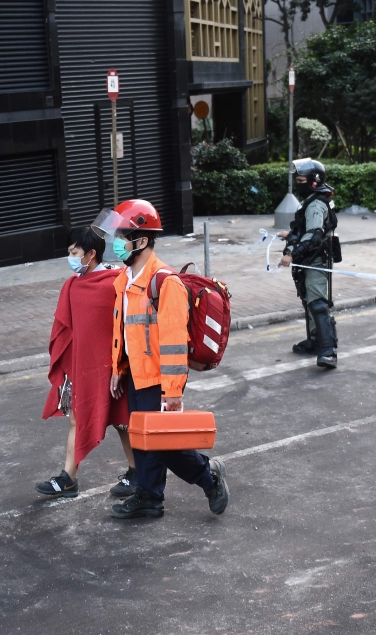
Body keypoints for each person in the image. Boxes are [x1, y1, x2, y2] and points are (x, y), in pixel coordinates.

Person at [93, 199, 229, 520]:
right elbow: (123, 331)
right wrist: (118, 368)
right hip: (136, 375)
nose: (115, 244)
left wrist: (172, 393)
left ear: (141, 241)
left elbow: (173, 344)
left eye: (121, 237)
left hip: (158, 379)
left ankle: (209, 477)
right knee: (142, 440)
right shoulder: (125, 281)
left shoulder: (165, 283)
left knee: (164, 445)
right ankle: (150, 497)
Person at [36, 227, 138, 499]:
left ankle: (136, 473)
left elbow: (126, 327)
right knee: (76, 419)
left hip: (114, 369)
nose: (70, 258)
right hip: (82, 368)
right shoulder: (72, 285)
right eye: (69, 252)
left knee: (122, 422)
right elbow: (67, 331)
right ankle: (68, 479)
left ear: (90, 254)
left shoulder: (116, 282)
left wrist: (121, 366)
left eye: (74, 253)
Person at [277, 158, 338, 369]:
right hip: (310, 259)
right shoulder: (312, 199)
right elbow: (305, 230)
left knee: (318, 304)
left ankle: (328, 352)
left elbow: (313, 236)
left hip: (316, 260)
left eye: (301, 179)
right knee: (309, 301)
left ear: (314, 181)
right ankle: (315, 341)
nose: (298, 182)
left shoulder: (315, 204)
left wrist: (291, 254)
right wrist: (291, 234)